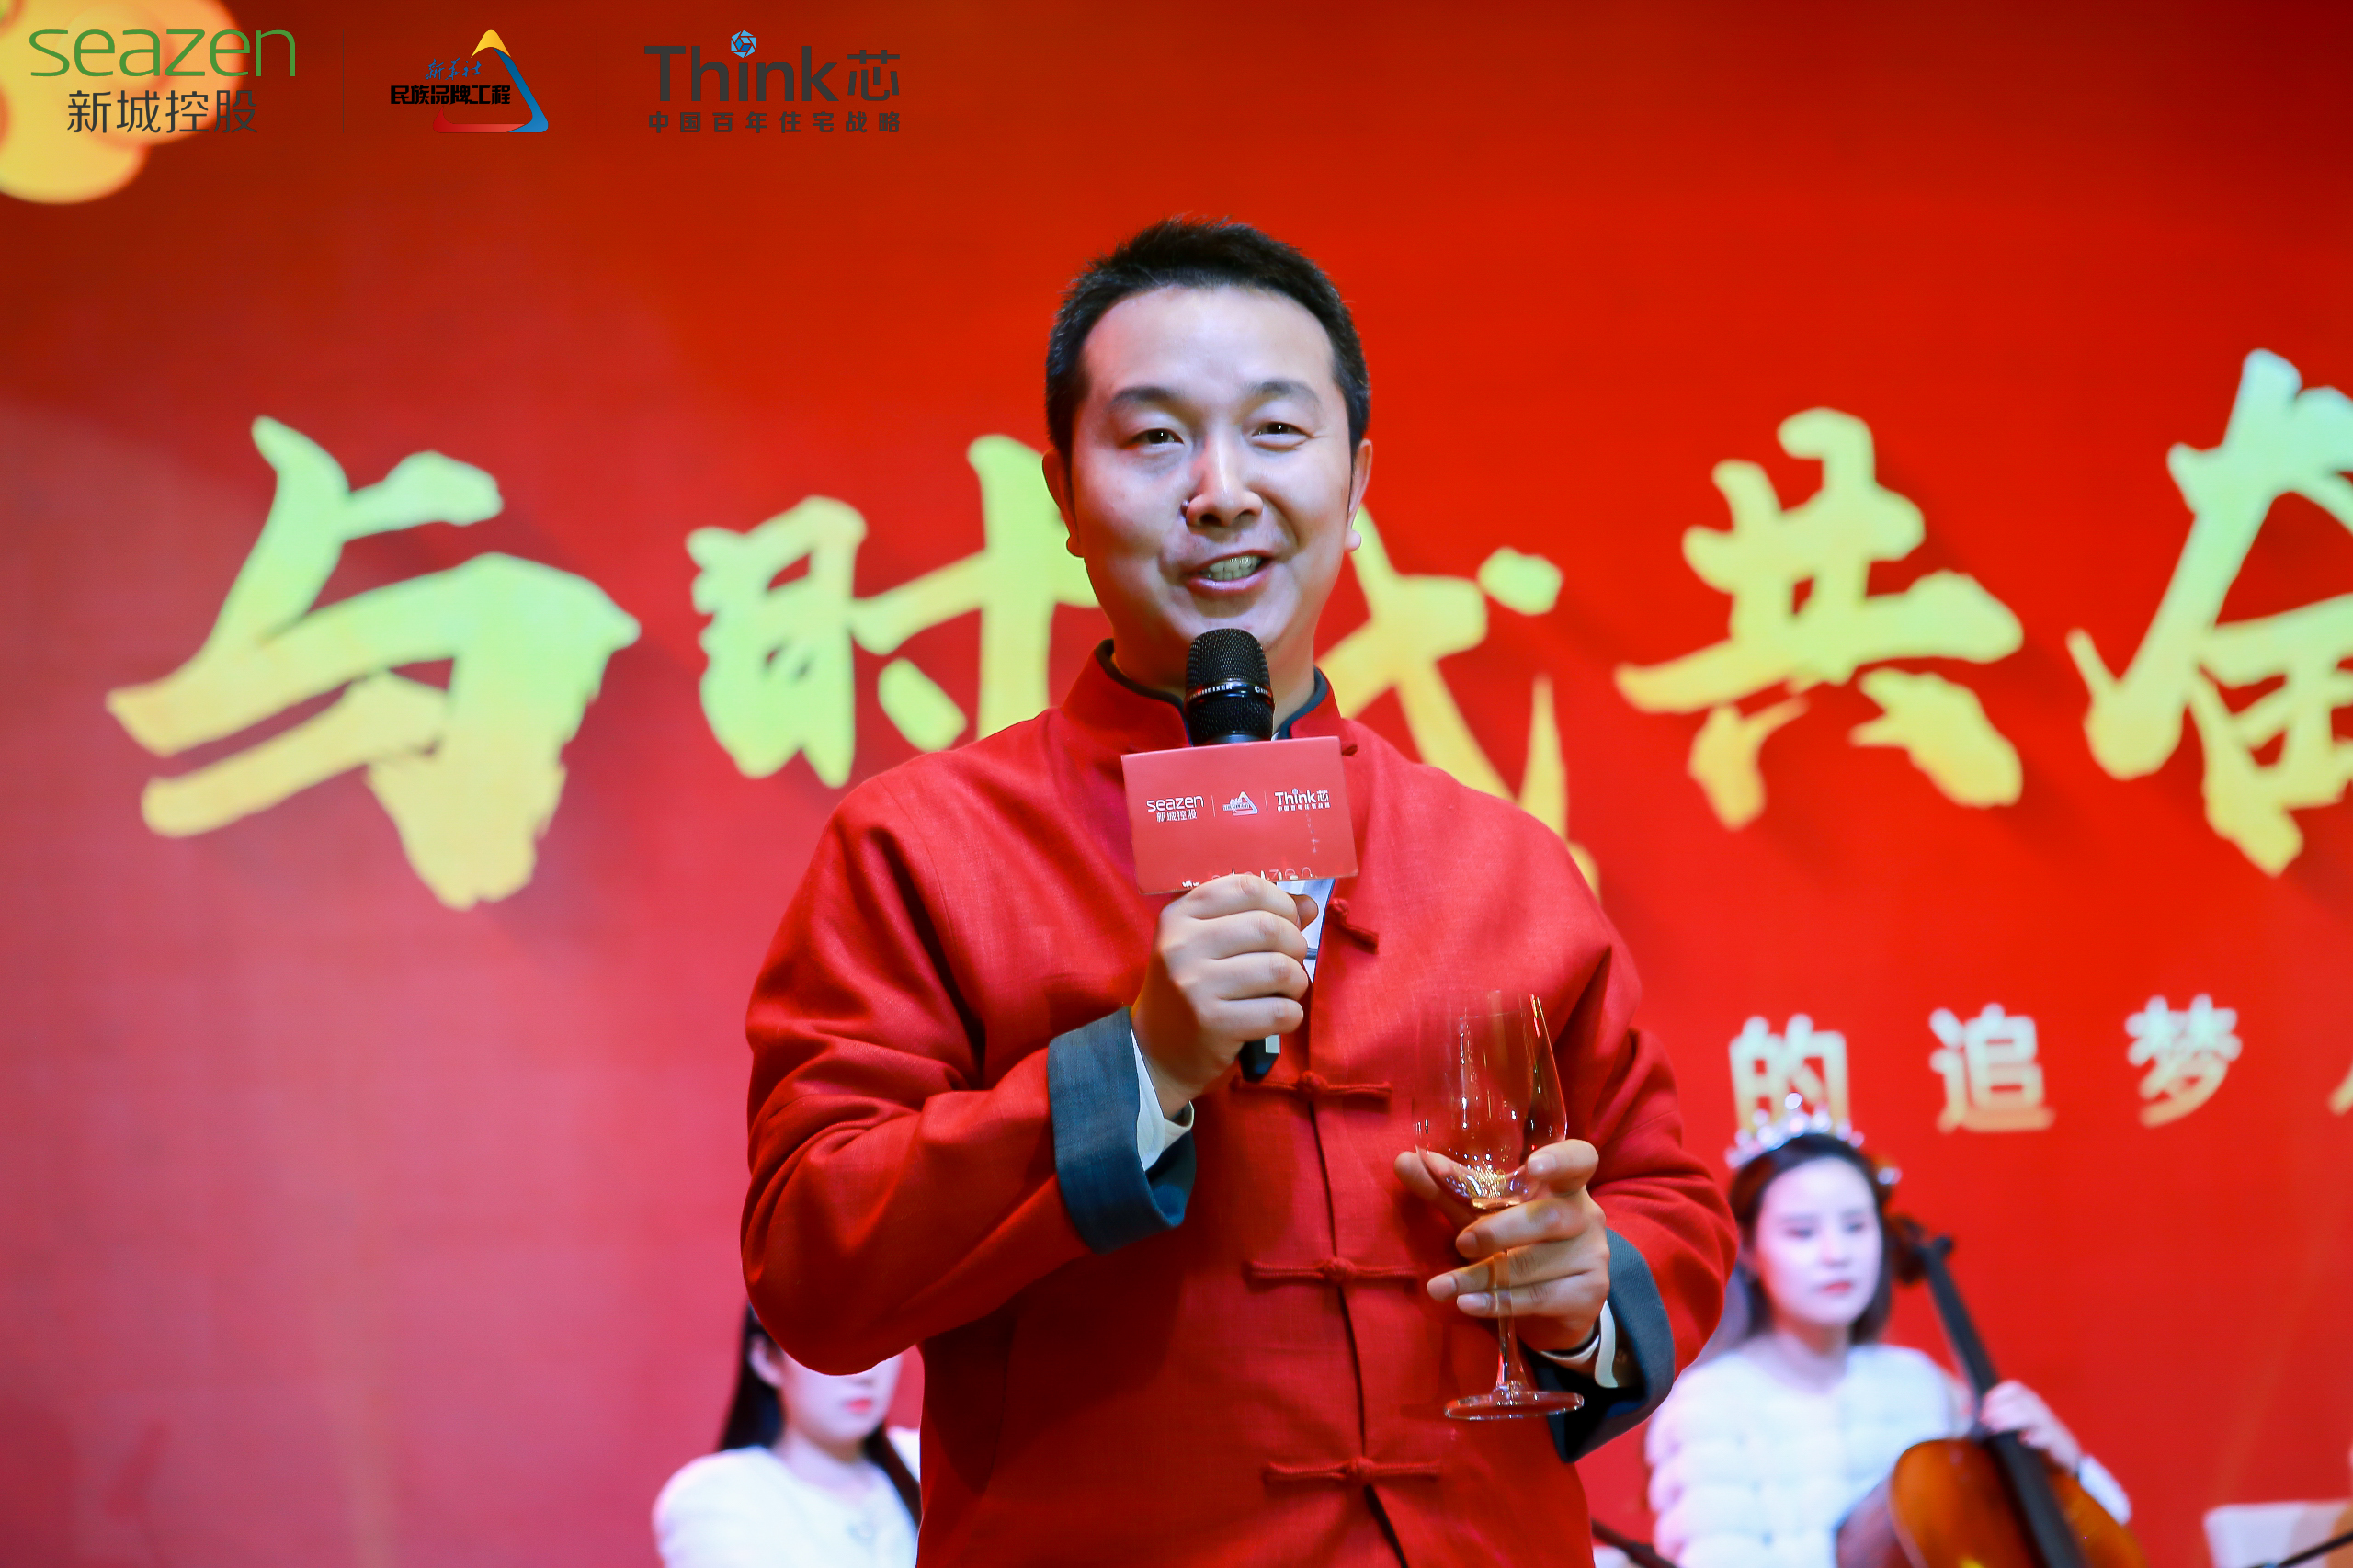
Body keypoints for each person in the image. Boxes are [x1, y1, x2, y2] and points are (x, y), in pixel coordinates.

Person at [739, 217, 1737, 1566]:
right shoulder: (921, 846)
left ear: (1357, 477)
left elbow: (1664, 1194)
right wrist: (1138, 1066)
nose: (1220, 491)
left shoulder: (1503, 859)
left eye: (1276, 431)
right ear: (1063, 492)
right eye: (1155, 438)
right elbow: (812, 1260)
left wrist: (1587, 1288)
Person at [1644, 1128, 2130, 1568]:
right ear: (1749, 1249)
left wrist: (2062, 1461)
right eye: (1802, 1232)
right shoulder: (1708, 1405)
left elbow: (2098, 1536)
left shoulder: (1919, 1383)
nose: (1837, 1254)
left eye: (1856, 1226)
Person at [654, 1306, 921, 1568]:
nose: (864, 1373)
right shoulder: (715, 1497)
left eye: (885, 1343)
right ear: (765, 1358)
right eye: (830, 1345)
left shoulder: (926, 1463)